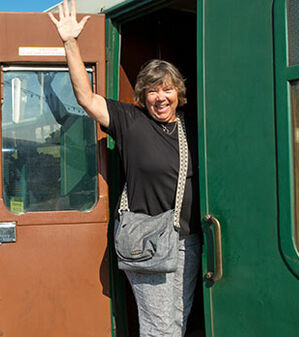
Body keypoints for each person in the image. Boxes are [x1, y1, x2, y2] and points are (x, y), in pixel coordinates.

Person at [49, 1, 201, 336]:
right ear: (142, 95)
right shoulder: (130, 121)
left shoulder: (191, 127)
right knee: (160, 329)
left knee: (178, 320)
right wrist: (69, 42)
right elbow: (86, 98)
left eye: (167, 88)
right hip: (148, 239)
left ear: (179, 92)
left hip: (187, 241)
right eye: (151, 90)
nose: (160, 97)